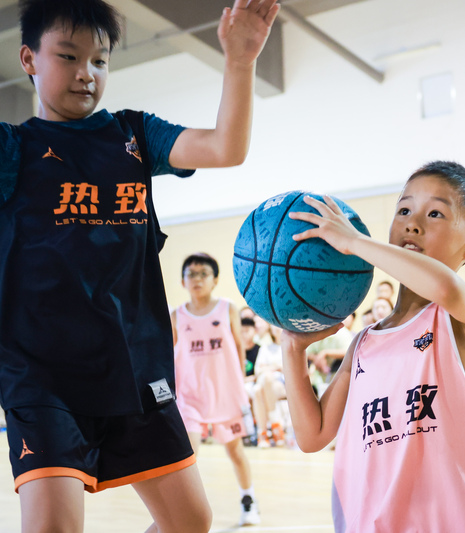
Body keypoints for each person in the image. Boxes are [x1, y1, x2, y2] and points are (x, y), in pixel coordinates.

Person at [0, 0, 279, 531]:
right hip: (44, 379)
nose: (87, 73)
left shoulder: (132, 135)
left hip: (135, 368)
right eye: (68, 56)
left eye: (100, 61)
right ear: (29, 59)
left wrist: (240, 62)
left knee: (190, 522)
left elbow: (225, 147)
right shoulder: (13, 149)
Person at [280, 161, 465, 531]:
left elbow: (444, 288)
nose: (413, 223)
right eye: (404, 210)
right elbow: (312, 436)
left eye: (436, 213)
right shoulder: (364, 342)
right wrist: (292, 348)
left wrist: (355, 242)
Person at [172, 253, 261, 525]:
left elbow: (239, 348)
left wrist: (239, 385)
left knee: (235, 451)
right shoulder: (176, 315)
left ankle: (248, 500)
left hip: (226, 394)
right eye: (191, 274)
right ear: (183, 280)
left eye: (203, 273)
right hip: (190, 396)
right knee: (187, 455)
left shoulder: (227, 308)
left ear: (215, 279)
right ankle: (184, 511)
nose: (197, 279)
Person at [251, 323, 288, 447]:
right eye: (274, 326)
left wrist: (269, 367)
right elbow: (258, 371)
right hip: (267, 382)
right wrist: (276, 367)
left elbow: (290, 370)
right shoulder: (265, 348)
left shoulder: (289, 346)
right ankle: (275, 425)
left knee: (257, 390)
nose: (276, 328)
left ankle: (262, 434)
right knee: (260, 386)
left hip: (283, 385)